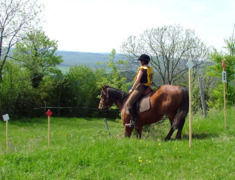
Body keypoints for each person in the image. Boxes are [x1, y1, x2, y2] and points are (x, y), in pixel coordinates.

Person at [125, 54, 154, 128]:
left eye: (140, 60)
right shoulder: (150, 68)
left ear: (143, 61)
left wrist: (132, 88)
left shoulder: (142, 69)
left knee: (129, 103)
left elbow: (138, 80)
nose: (140, 62)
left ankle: (134, 122)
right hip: (148, 87)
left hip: (141, 87)